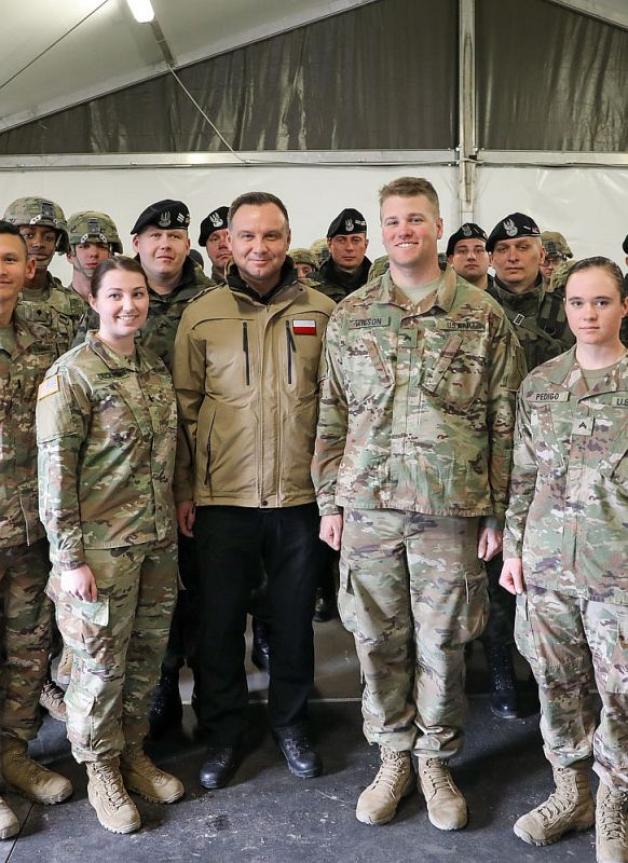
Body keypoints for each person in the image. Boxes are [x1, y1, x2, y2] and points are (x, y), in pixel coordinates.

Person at [312, 176, 524, 830]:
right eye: (393, 221)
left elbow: (504, 422)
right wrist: (329, 500)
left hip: (450, 508)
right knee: (375, 635)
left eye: (415, 219)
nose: (404, 230)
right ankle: (393, 752)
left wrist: (498, 516)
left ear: (438, 226)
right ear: (383, 230)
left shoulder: (483, 315)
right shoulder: (352, 315)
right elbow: (332, 413)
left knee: (443, 640)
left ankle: (436, 755)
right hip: (368, 504)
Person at [174, 191, 335, 790]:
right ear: (229, 243)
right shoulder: (203, 314)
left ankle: (291, 724)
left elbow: (338, 409)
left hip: (299, 498)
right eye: (247, 237)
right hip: (223, 500)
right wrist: (185, 488)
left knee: (292, 622)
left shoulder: (323, 312)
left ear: (287, 238)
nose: (259, 248)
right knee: (218, 627)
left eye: (270, 236)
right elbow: (184, 409)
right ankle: (224, 732)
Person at [36, 256, 183, 835]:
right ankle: (100, 768)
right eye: (116, 296)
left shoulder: (151, 367)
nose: (129, 306)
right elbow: (56, 473)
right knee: (97, 668)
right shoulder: (71, 374)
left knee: (144, 662)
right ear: (94, 302)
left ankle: (132, 753)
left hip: (154, 543)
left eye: (139, 295)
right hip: (97, 552)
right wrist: (69, 559)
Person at [500, 257, 628, 863]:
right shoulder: (542, 385)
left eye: (601, 302)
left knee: (620, 692)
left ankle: (613, 802)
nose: (588, 314)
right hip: (549, 569)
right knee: (556, 685)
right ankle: (570, 791)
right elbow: (522, 476)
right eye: (577, 303)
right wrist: (513, 549)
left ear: (623, 306)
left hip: (618, 574)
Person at [126, 199, 214, 737]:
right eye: (154, 236)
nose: (165, 245)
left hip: (204, 471)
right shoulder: (119, 300)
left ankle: (212, 693)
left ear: (188, 245)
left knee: (205, 591)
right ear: (137, 244)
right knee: (150, 595)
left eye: (175, 237)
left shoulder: (211, 303)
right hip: (134, 480)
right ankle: (160, 691)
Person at [0, 222, 71, 839]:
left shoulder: (47, 334)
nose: (0, 268)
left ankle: (14, 753)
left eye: (10, 259)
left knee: (28, 652)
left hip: (30, 527)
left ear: (30, 269)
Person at [487, 212, 574, 372]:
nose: (512, 257)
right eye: (502, 249)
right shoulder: (475, 310)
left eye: (523, 247)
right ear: (491, 259)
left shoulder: (571, 312)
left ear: (541, 255)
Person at [311, 208, 372, 303]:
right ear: (329, 244)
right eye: (341, 240)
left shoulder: (381, 283)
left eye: (356, 240)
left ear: (366, 244)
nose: (349, 248)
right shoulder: (311, 286)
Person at [67, 211, 123, 304]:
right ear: (69, 254)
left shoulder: (124, 304)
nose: (93, 253)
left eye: (101, 246)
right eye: (84, 246)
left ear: (111, 254)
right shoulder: (54, 306)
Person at [446, 223, 492, 291]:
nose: (471, 257)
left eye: (479, 251)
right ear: (451, 260)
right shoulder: (436, 297)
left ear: (491, 259)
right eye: (462, 251)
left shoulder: (508, 296)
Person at [198, 206, 230, 284]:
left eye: (230, 237)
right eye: (215, 239)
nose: (222, 244)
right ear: (207, 249)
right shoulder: (201, 294)